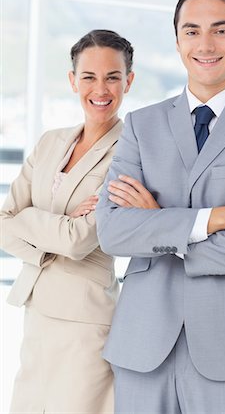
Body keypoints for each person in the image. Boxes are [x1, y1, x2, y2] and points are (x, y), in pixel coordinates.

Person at [96, 0, 225, 414]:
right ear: (177, 41)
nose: (205, 44)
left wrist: (160, 224)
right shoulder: (141, 125)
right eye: (191, 31)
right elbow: (113, 231)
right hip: (143, 346)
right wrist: (212, 219)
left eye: (220, 30)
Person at [0, 29, 135, 413]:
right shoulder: (50, 142)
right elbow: (2, 222)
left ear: (129, 80)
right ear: (73, 80)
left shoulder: (130, 154)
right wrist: (49, 226)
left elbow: (80, 240)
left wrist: (28, 218)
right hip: (36, 308)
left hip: (86, 319)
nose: (101, 88)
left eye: (113, 76)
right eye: (89, 77)